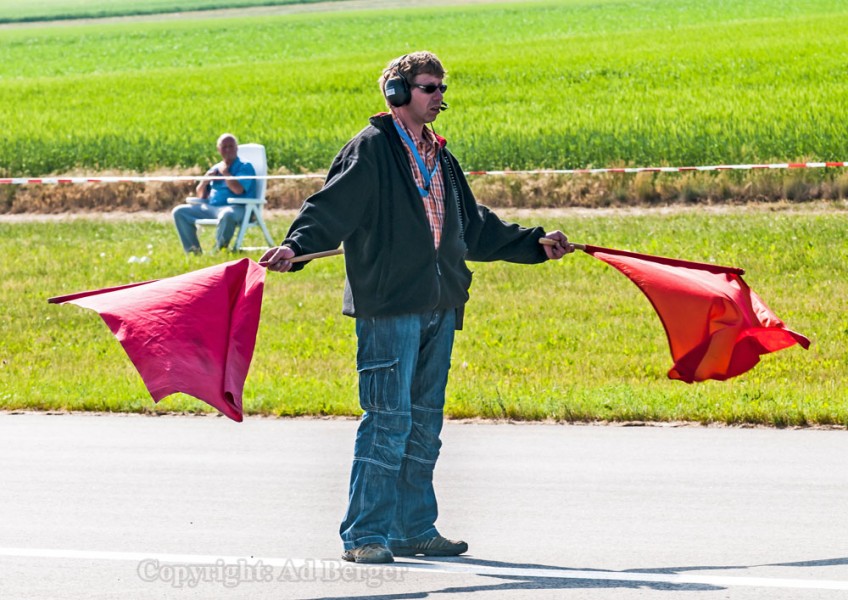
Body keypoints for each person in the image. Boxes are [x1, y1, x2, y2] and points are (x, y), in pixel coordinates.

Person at [261, 51, 574, 564]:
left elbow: (473, 227)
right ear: (397, 94)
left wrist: (534, 244)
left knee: (425, 421)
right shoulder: (372, 151)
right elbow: (330, 208)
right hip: (389, 307)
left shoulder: (442, 159)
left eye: (441, 90)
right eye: (429, 88)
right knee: (388, 419)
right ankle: (364, 533)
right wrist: (295, 247)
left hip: (441, 304)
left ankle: (413, 528)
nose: (439, 98)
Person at [172, 133, 256, 253]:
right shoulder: (216, 168)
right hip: (212, 207)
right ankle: (193, 252)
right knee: (179, 212)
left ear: (236, 148)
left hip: (238, 208)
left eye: (231, 146)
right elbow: (200, 195)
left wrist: (226, 173)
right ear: (218, 149)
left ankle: (219, 251)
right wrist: (205, 181)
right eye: (224, 147)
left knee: (227, 215)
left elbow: (238, 190)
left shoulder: (245, 167)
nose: (227, 150)